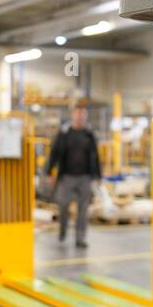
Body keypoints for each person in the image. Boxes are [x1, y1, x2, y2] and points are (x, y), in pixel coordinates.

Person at [45, 105, 101, 248]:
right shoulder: (64, 134)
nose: (80, 117)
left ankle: (80, 238)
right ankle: (63, 230)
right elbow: (54, 154)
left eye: (83, 114)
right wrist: (49, 172)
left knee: (83, 210)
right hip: (67, 177)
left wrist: (98, 176)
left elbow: (96, 156)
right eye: (78, 114)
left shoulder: (89, 135)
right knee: (63, 206)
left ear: (85, 116)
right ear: (73, 116)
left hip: (85, 177)